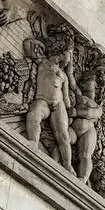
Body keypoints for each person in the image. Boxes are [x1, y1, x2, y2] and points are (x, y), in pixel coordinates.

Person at [25, 35, 74, 172]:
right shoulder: (43, 62)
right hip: (43, 100)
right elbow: (28, 44)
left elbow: (65, 96)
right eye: (69, 55)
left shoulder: (64, 76)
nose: (70, 59)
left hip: (59, 105)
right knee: (34, 113)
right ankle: (33, 142)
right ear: (63, 52)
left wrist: (69, 109)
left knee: (63, 135)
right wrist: (44, 45)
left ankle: (67, 164)